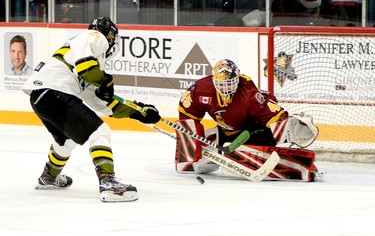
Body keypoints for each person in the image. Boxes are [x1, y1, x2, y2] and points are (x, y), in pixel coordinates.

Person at [22, 17, 161, 202]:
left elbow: (102, 102)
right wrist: (105, 80)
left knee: (66, 141)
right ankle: (108, 182)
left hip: (40, 97)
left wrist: (137, 111)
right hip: (54, 90)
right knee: (99, 131)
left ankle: (49, 176)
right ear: (110, 36)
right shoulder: (94, 37)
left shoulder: (83, 62)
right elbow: (87, 67)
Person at [175, 59, 323, 182]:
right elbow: (186, 114)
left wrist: (288, 125)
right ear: (213, 81)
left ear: (237, 79)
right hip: (226, 132)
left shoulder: (249, 94)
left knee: (262, 136)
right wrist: (189, 144)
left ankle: (294, 163)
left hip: (254, 131)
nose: (225, 88)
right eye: (221, 84)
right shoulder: (201, 89)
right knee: (196, 165)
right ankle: (191, 157)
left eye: (230, 83)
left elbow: (276, 116)